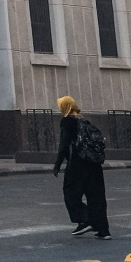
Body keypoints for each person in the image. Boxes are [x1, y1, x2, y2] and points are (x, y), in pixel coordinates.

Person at [52, 95, 109, 239]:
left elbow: (64, 145)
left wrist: (57, 164)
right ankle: (103, 230)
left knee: (70, 194)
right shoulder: (83, 120)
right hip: (94, 164)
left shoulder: (67, 122)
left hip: (77, 164)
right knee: (96, 197)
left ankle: (87, 219)